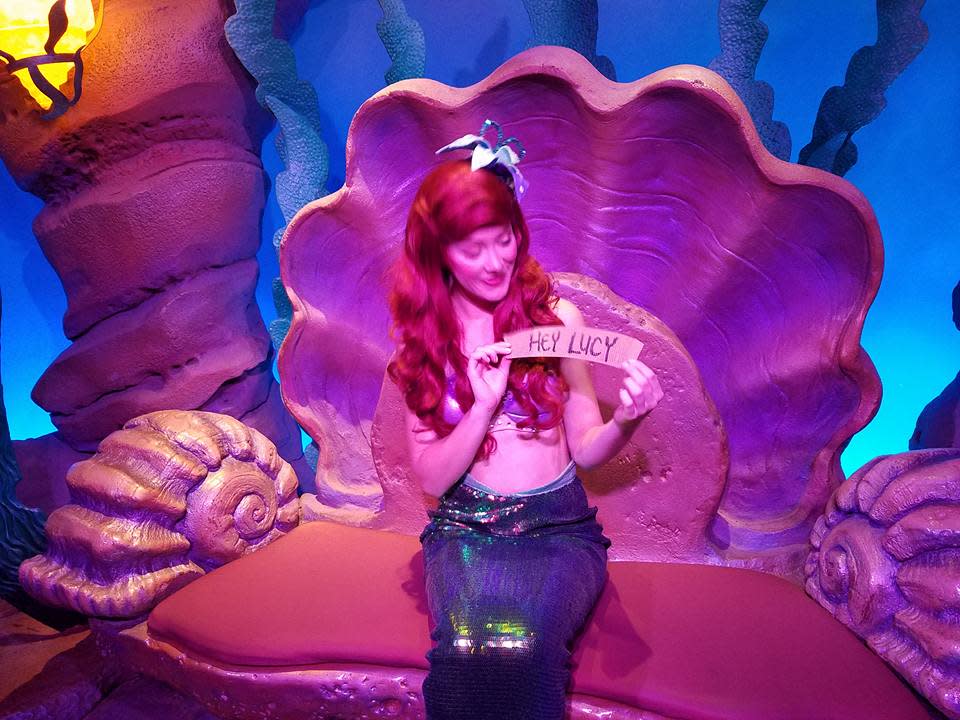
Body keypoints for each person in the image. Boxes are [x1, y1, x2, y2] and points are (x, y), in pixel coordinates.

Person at [387, 122, 663, 720]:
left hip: (558, 531)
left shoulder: (558, 317)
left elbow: (587, 449)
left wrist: (628, 421)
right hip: (465, 532)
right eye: (472, 248)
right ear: (438, 253)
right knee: (465, 649)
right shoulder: (423, 345)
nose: (495, 262)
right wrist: (483, 404)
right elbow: (432, 481)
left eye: (504, 238)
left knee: (530, 644)